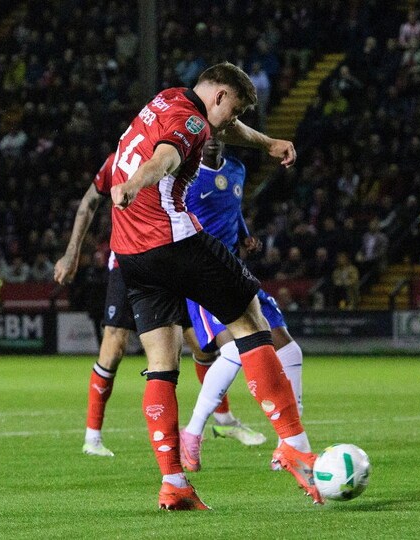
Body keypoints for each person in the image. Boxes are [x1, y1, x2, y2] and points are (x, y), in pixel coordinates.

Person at [107, 62, 320, 509]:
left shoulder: (168, 97)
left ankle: (174, 485)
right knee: (251, 323)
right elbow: (165, 157)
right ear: (220, 96)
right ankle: (296, 448)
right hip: (172, 240)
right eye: (234, 109)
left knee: (162, 364)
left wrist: (267, 144)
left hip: (130, 253)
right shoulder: (189, 122)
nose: (229, 121)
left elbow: (220, 131)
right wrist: (136, 183)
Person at [55, 153, 263, 460]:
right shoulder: (120, 159)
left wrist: (240, 234)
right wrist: (72, 253)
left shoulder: (175, 155)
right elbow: (89, 202)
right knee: (114, 349)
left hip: (174, 257)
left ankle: (222, 421)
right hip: (129, 261)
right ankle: (92, 437)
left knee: (204, 348)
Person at [178, 137, 307, 472]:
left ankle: (288, 443)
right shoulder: (185, 176)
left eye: (218, 134)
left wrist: (244, 235)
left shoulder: (237, 169)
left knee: (290, 352)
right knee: (238, 349)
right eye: (204, 136)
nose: (211, 142)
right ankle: (192, 432)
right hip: (204, 275)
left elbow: (233, 211)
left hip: (237, 270)